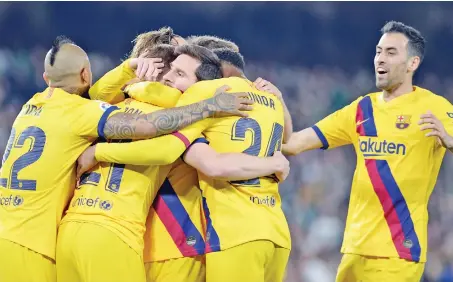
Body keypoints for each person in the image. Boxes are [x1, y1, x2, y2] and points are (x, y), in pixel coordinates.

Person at [0, 36, 251, 282]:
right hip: (111, 235)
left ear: (46, 79)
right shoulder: (180, 110)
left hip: (67, 234)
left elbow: (95, 94)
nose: (173, 77)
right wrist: (211, 106)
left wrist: (128, 73)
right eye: (173, 71)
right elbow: (163, 144)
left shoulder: (94, 107)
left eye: (180, 73)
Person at [78, 44, 292, 282]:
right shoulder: (197, 110)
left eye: (179, 73)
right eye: (168, 69)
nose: (169, 77)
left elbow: (91, 98)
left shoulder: (120, 104)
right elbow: (288, 139)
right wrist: (274, 162)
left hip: (177, 243)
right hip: (262, 232)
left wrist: (130, 79)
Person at [283, 21, 453, 281]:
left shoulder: (434, 107)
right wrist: (277, 103)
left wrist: (449, 140)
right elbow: (294, 143)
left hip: (398, 253)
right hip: (354, 251)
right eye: (378, 51)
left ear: (412, 64)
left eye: (391, 52)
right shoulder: (362, 109)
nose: (379, 59)